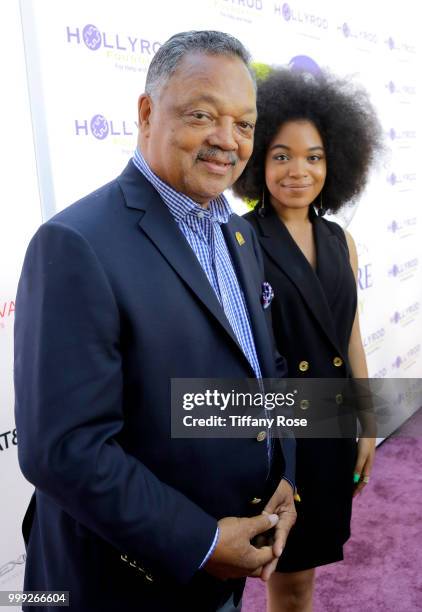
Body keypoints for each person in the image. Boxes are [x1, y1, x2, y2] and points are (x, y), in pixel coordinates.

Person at [14, 32, 297, 612]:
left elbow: (259, 372)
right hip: (122, 584)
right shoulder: (75, 243)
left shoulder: (238, 233)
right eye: (202, 115)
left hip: (225, 571)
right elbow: (64, 449)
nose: (228, 140)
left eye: (244, 124)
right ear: (146, 113)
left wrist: (284, 474)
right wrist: (202, 542)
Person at [234, 67, 383, 612]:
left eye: (313, 156)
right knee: (288, 578)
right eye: (281, 155)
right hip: (281, 434)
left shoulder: (340, 239)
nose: (299, 170)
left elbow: (352, 337)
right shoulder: (240, 239)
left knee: (309, 572)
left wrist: (368, 422)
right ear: (257, 160)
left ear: (334, 161)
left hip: (334, 426)